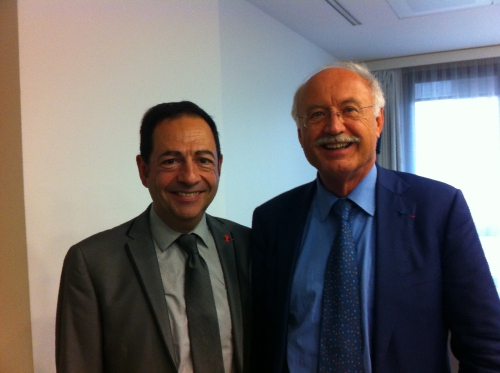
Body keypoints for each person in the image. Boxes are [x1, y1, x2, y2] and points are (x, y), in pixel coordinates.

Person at [251, 62, 500, 373]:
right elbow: (262, 339)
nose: (334, 127)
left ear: (379, 120)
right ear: (301, 134)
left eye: (350, 110)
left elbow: (486, 344)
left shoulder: (439, 209)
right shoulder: (272, 220)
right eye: (316, 115)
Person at [56, 101, 251, 373]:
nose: (189, 176)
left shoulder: (249, 246)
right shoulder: (93, 263)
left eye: (203, 160)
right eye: (171, 161)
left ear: (219, 165)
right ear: (144, 169)